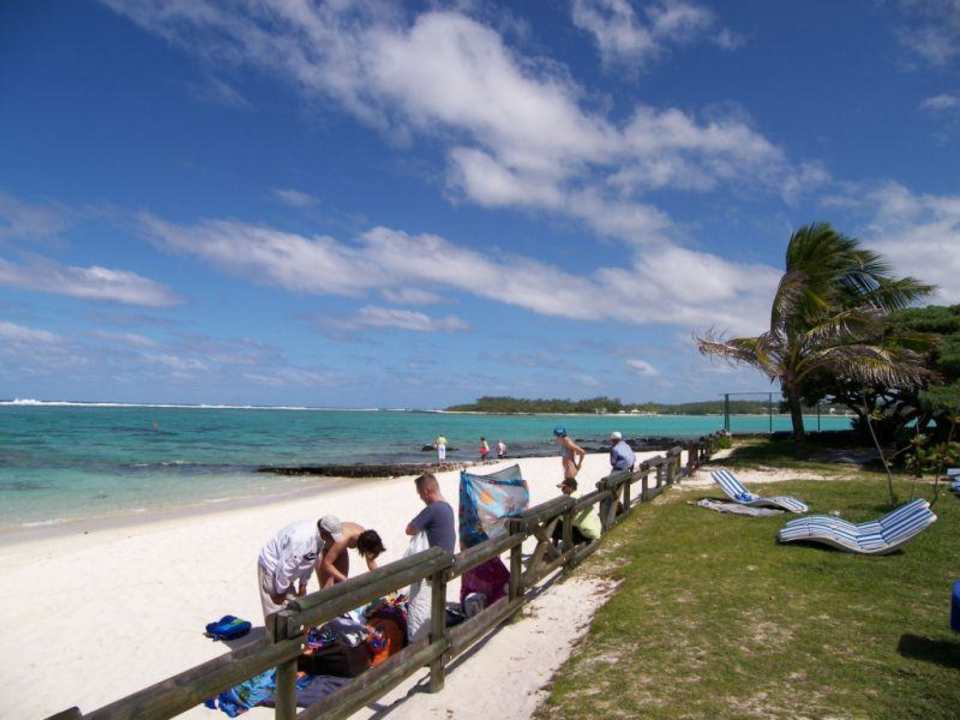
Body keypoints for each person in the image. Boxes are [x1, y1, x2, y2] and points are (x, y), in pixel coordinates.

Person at [257, 515, 342, 622]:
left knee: (291, 605)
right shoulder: (301, 539)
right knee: (274, 608)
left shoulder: (319, 539)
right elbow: (285, 567)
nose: (333, 542)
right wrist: (280, 593)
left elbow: (310, 560)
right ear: (324, 533)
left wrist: (303, 584)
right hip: (272, 565)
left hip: (286, 571)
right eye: (332, 538)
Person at [318, 523, 387, 589]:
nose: (369, 556)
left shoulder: (367, 538)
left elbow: (371, 563)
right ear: (364, 548)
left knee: (340, 584)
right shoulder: (343, 540)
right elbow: (327, 564)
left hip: (339, 549)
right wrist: (347, 581)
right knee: (327, 587)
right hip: (324, 549)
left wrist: (383, 581)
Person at [405, 472, 456, 553]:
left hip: (437, 561)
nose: (420, 497)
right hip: (448, 557)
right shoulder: (448, 507)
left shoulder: (433, 509)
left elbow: (408, 530)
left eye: (420, 494)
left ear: (426, 492)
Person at [551, 478, 601, 547]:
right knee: (558, 521)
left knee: (555, 523)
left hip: (587, 534)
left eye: (564, 488)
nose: (562, 490)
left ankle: (553, 548)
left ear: (570, 488)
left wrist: (555, 516)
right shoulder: (581, 495)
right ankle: (553, 547)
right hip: (596, 530)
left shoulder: (571, 499)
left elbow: (568, 518)